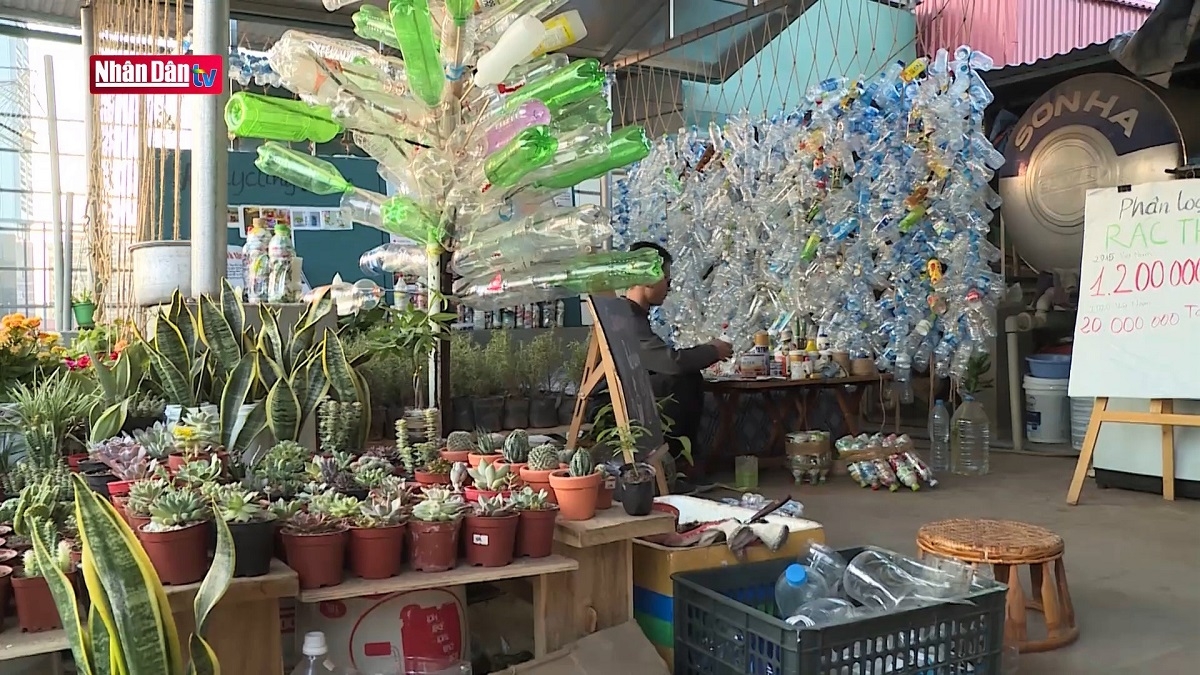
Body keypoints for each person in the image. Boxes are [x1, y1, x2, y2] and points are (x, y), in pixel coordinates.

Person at [623, 242, 733, 468]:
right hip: (619, 401)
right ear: (648, 277)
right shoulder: (626, 318)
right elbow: (671, 362)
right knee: (682, 380)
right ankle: (680, 463)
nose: (669, 287)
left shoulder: (631, 315)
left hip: (630, 393)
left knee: (685, 378)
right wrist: (713, 350)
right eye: (667, 280)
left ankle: (684, 461)